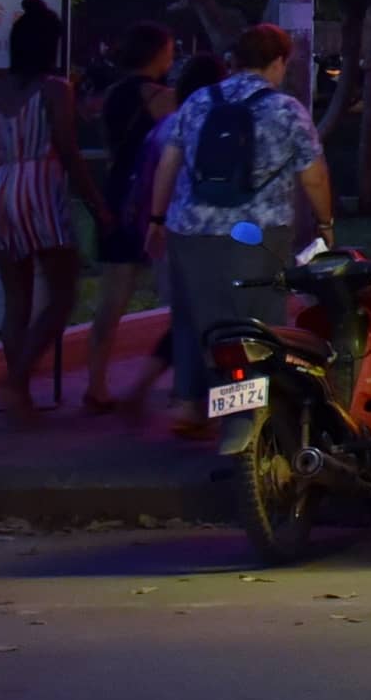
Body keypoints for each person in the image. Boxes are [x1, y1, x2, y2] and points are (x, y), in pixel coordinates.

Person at [150, 25, 330, 445]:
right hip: (256, 236)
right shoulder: (286, 110)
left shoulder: (197, 101)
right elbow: (315, 177)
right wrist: (326, 224)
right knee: (255, 327)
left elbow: (168, 164)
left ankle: (190, 406)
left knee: (196, 316)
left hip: (189, 231)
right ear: (278, 62)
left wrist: (157, 220)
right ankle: (245, 418)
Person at [0, 0, 94, 418]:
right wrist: (97, 206)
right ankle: (16, 381)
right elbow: (69, 150)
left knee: (16, 300)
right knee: (62, 294)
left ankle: (18, 396)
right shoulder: (56, 89)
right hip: (40, 189)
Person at [80, 23, 180, 412]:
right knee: (180, 296)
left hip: (118, 196)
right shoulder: (160, 97)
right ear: (157, 54)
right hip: (152, 201)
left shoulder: (113, 96)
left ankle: (96, 383)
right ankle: (177, 382)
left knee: (113, 298)